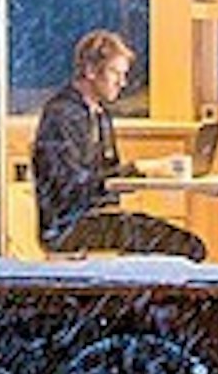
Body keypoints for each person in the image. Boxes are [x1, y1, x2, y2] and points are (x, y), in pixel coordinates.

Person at [31, 30, 206, 260]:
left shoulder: (100, 114)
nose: (122, 83)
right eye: (115, 73)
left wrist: (152, 172)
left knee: (183, 243)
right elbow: (71, 188)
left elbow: (106, 177)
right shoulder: (61, 115)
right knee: (187, 247)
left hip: (96, 218)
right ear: (90, 71)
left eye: (124, 75)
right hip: (67, 227)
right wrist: (140, 170)